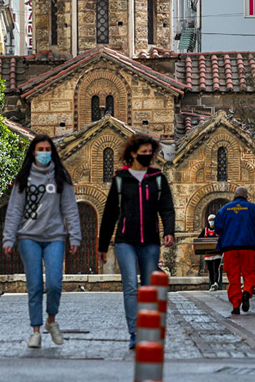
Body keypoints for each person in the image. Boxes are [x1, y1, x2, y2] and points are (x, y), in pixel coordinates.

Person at [2, 134, 81, 349]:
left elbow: (70, 208)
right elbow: (14, 210)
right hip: (29, 238)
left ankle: (51, 321)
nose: (44, 153)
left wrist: (75, 235)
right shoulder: (24, 178)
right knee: (34, 285)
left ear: (52, 152)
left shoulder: (60, 177)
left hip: (55, 237)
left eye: (48, 149)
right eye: (40, 149)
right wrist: (8, 238)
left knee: (55, 283)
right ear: (33, 152)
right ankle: (35, 330)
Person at [98, 134, 176, 350]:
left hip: (150, 241)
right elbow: (110, 213)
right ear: (133, 153)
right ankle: (134, 332)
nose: (148, 156)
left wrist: (169, 231)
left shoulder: (158, 178)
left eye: (150, 152)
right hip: (125, 241)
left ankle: (148, 329)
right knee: (130, 286)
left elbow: (167, 208)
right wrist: (102, 246)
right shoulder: (120, 179)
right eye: (143, 153)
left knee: (148, 287)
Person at [214, 186, 255, 315]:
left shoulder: (224, 210)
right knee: (250, 273)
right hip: (249, 247)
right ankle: (247, 292)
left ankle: (236, 305)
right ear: (247, 197)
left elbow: (217, 228)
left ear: (234, 196)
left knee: (233, 278)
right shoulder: (253, 208)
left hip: (230, 248)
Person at [198, 214, 222, 291]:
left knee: (216, 268)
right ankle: (212, 284)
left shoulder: (218, 230)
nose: (212, 222)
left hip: (217, 254)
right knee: (210, 270)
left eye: (213, 220)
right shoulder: (204, 230)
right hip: (208, 254)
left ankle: (216, 283)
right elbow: (198, 240)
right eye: (210, 220)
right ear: (208, 221)